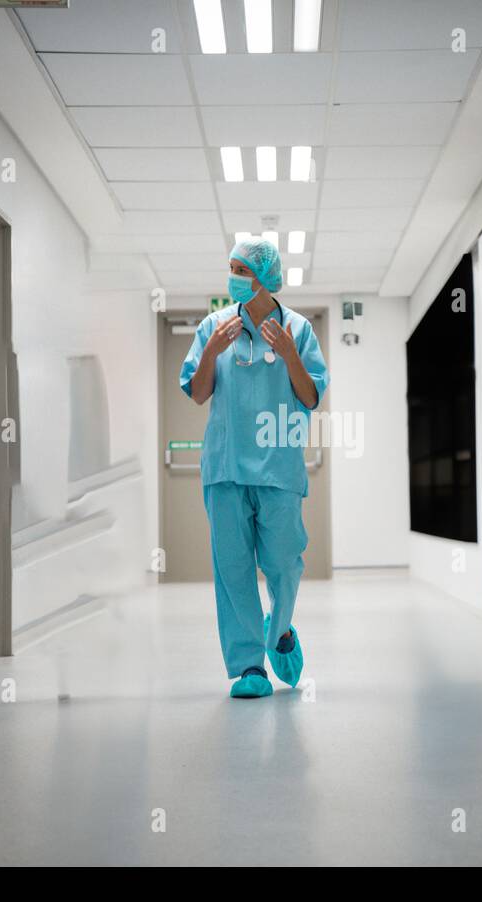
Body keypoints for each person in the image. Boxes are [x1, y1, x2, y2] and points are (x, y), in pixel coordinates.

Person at [179, 238, 329, 699]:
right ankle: (250, 668)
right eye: (230, 268)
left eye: (240, 269)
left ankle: (280, 629)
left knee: (285, 563)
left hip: (278, 469)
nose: (233, 277)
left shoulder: (298, 329)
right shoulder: (213, 326)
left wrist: (288, 354)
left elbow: (310, 397)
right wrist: (210, 353)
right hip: (225, 469)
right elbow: (198, 392)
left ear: (265, 277)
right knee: (233, 570)